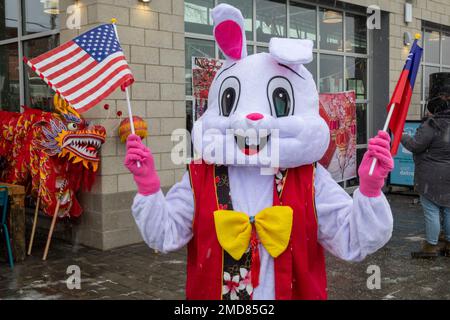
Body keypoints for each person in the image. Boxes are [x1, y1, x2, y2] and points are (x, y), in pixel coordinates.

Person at [402, 72, 450, 258]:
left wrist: (403, 136)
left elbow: (416, 146)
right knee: (447, 208)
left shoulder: (432, 124)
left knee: (431, 208)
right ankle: (448, 243)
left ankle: (430, 246)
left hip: (431, 175)